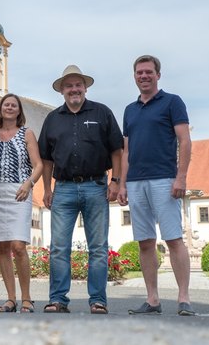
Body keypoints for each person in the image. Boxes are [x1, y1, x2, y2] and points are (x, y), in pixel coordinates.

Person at [38, 65, 123, 315]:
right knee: (58, 247)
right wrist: (46, 188)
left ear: (85, 87)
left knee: (97, 247)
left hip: (96, 185)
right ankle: (58, 299)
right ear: (62, 90)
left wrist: (115, 181)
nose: (74, 89)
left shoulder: (102, 112)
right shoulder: (53, 119)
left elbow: (117, 149)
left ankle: (98, 300)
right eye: (69, 85)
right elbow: (46, 159)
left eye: (78, 85)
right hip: (63, 188)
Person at [118, 55, 195, 316]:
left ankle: (183, 298)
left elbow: (184, 140)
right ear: (135, 77)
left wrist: (181, 176)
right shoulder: (130, 110)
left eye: (149, 72)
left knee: (173, 238)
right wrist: (123, 184)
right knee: (145, 242)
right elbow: (126, 151)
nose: (144, 76)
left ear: (158, 75)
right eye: (139, 73)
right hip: (136, 181)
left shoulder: (172, 102)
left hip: (164, 178)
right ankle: (152, 300)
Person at [0, 93, 43, 313]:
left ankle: (27, 298)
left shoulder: (27, 133)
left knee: (19, 245)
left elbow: (38, 165)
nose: (9, 108)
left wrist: (28, 184)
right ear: (0, 110)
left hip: (19, 191)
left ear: (19, 110)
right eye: (6, 105)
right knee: (2, 247)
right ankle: (10, 298)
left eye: (13, 105)